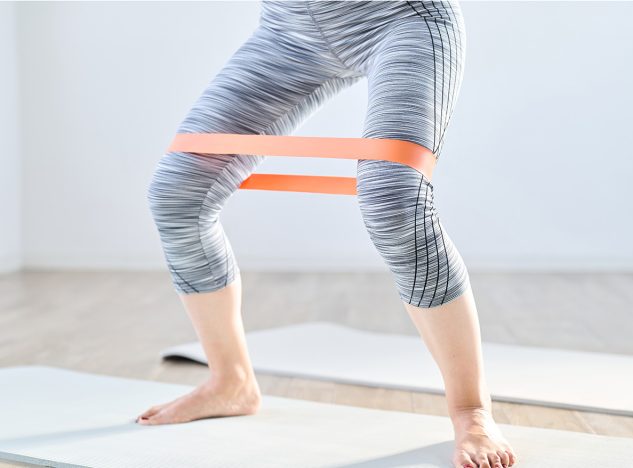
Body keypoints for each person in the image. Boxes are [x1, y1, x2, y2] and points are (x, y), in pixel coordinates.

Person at [139, 1, 517, 467]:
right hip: (290, 31)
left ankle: (471, 413)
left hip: (400, 18)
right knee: (177, 192)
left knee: (392, 197)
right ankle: (229, 381)